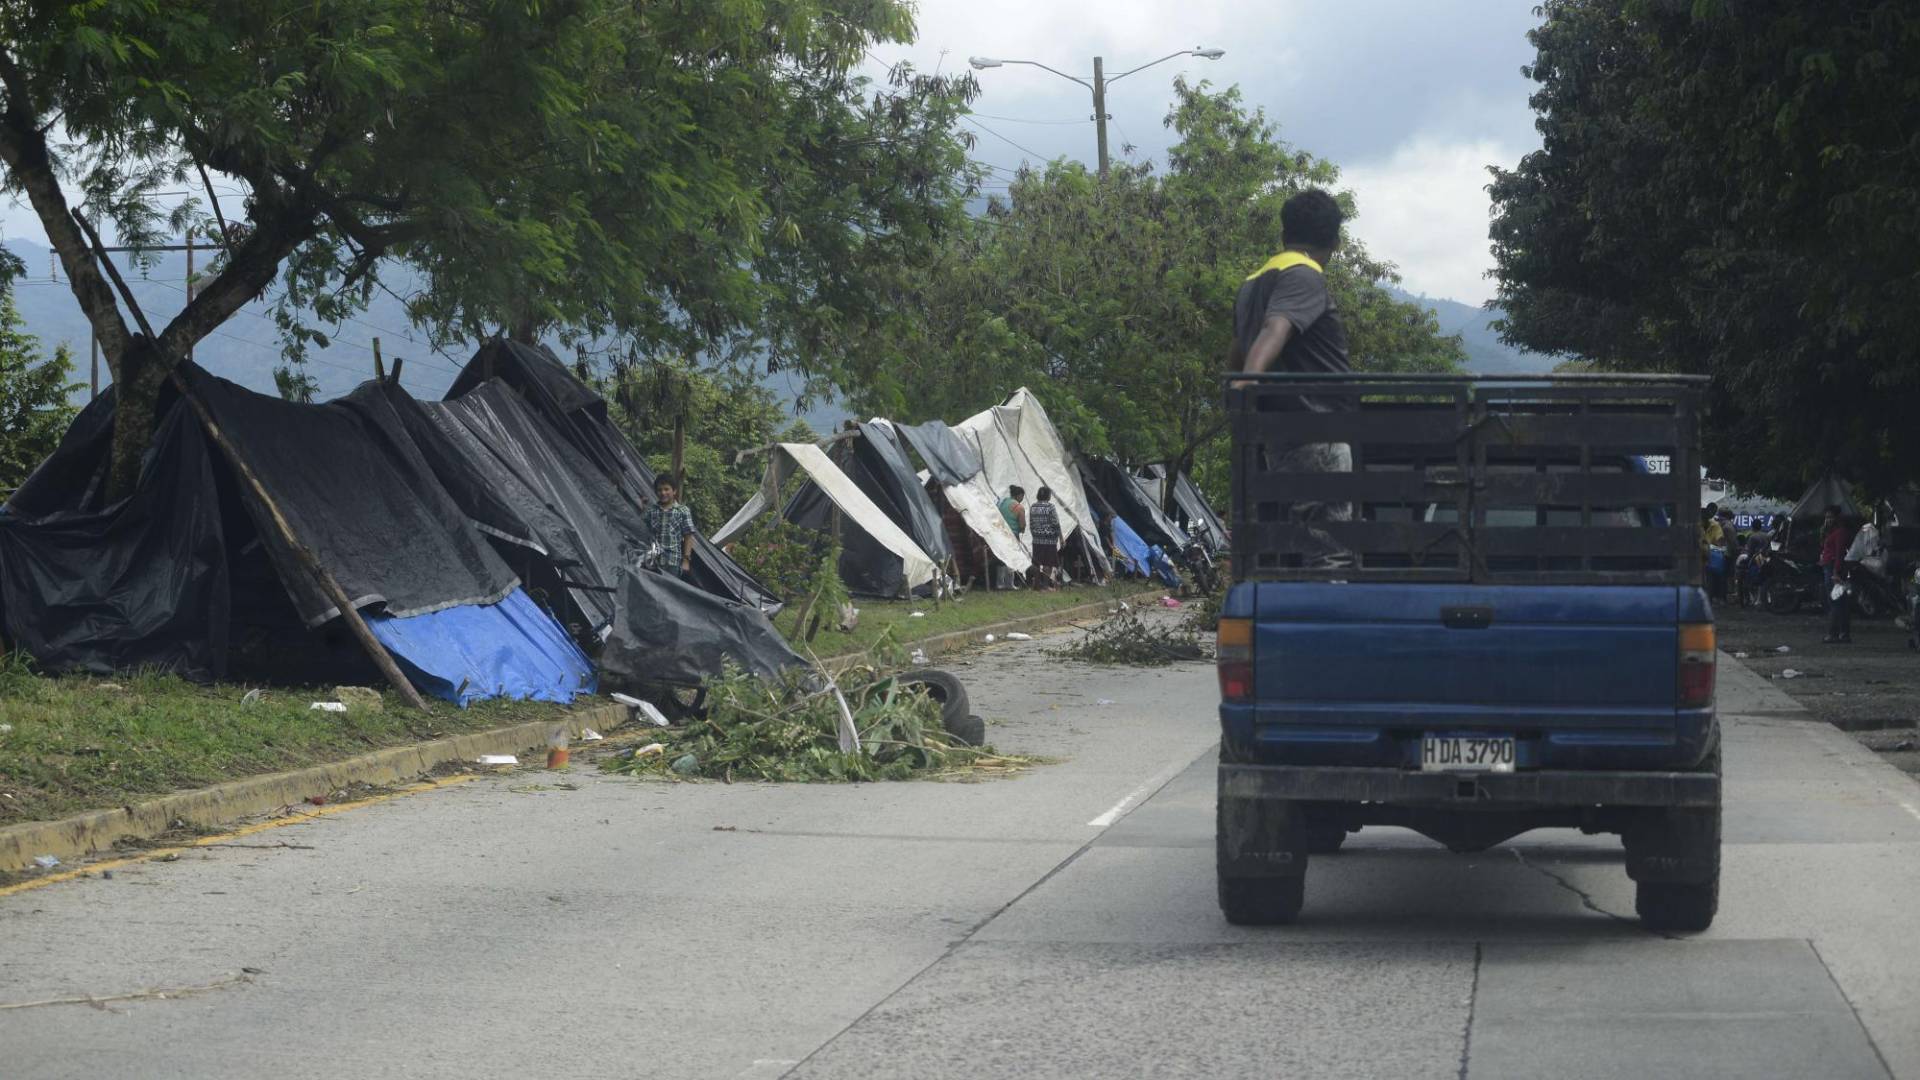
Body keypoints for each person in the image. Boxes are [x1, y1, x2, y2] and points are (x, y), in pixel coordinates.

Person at [1226, 188, 1352, 568]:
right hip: (1316, 430)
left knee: (1302, 542)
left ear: (1284, 234)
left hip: (1277, 436)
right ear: (1334, 241)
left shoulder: (1253, 283)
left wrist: (1232, 386)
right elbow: (1275, 328)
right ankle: (1328, 623)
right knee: (1330, 552)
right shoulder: (1304, 276)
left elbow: (1238, 344)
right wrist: (1246, 380)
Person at [643, 475, 697, 581]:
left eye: (666, 489)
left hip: (672, 562)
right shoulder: (651, 510)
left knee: (669, 593)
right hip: (653, 560)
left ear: (674, 491)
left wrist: (686, 561)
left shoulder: (682, 511)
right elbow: (643, 528)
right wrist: (643, 507)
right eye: (659, 490)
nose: (663, 493)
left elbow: (688, 537)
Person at [1820, 507, 1852, 643]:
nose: (1828, 520)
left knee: (1835, 602)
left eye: (1831, 517)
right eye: (1826, 517)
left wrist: (1835, 572)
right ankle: (1843, 634)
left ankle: (1833, 634)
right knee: (1840, 603)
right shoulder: (1831, 532)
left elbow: (1839, 554)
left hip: (1833, 569)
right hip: (1830, 567)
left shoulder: (1839, 533)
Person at [1029, 486, 1061, 590]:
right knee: (1048, 563)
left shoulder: (1033, 507)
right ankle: (1046, 585)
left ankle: (1037, 585)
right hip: (1049, 540)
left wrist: (1035, 534)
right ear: (1048, 496)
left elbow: (1031, 524)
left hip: (1037, 539)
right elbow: (1055, 523)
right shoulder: (1050, 507)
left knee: (1036, 563)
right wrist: (1060, 537)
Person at [1701, 504, 1727, 600]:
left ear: (1707, 518)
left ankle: (1714, 597)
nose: (1701, 520)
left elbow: (1720, 540)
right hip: (1698, 557)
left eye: (1703, 518)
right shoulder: (1696, 525)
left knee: (1713, 577)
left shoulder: (1715, 526)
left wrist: (1718, 547)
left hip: (1711, 556)